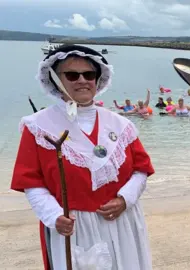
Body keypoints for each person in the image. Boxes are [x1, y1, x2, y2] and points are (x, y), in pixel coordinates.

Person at [11, 45, 155, 270]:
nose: (82, 80)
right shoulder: (38, 127)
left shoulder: (121, 125)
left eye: (89, 75)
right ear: (56, 80)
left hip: (122, 220)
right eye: (72, 75)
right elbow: (31, 182)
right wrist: (54, 216)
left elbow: (141, 170)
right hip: (73, 226)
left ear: (97, 80)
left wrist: (124, 199)